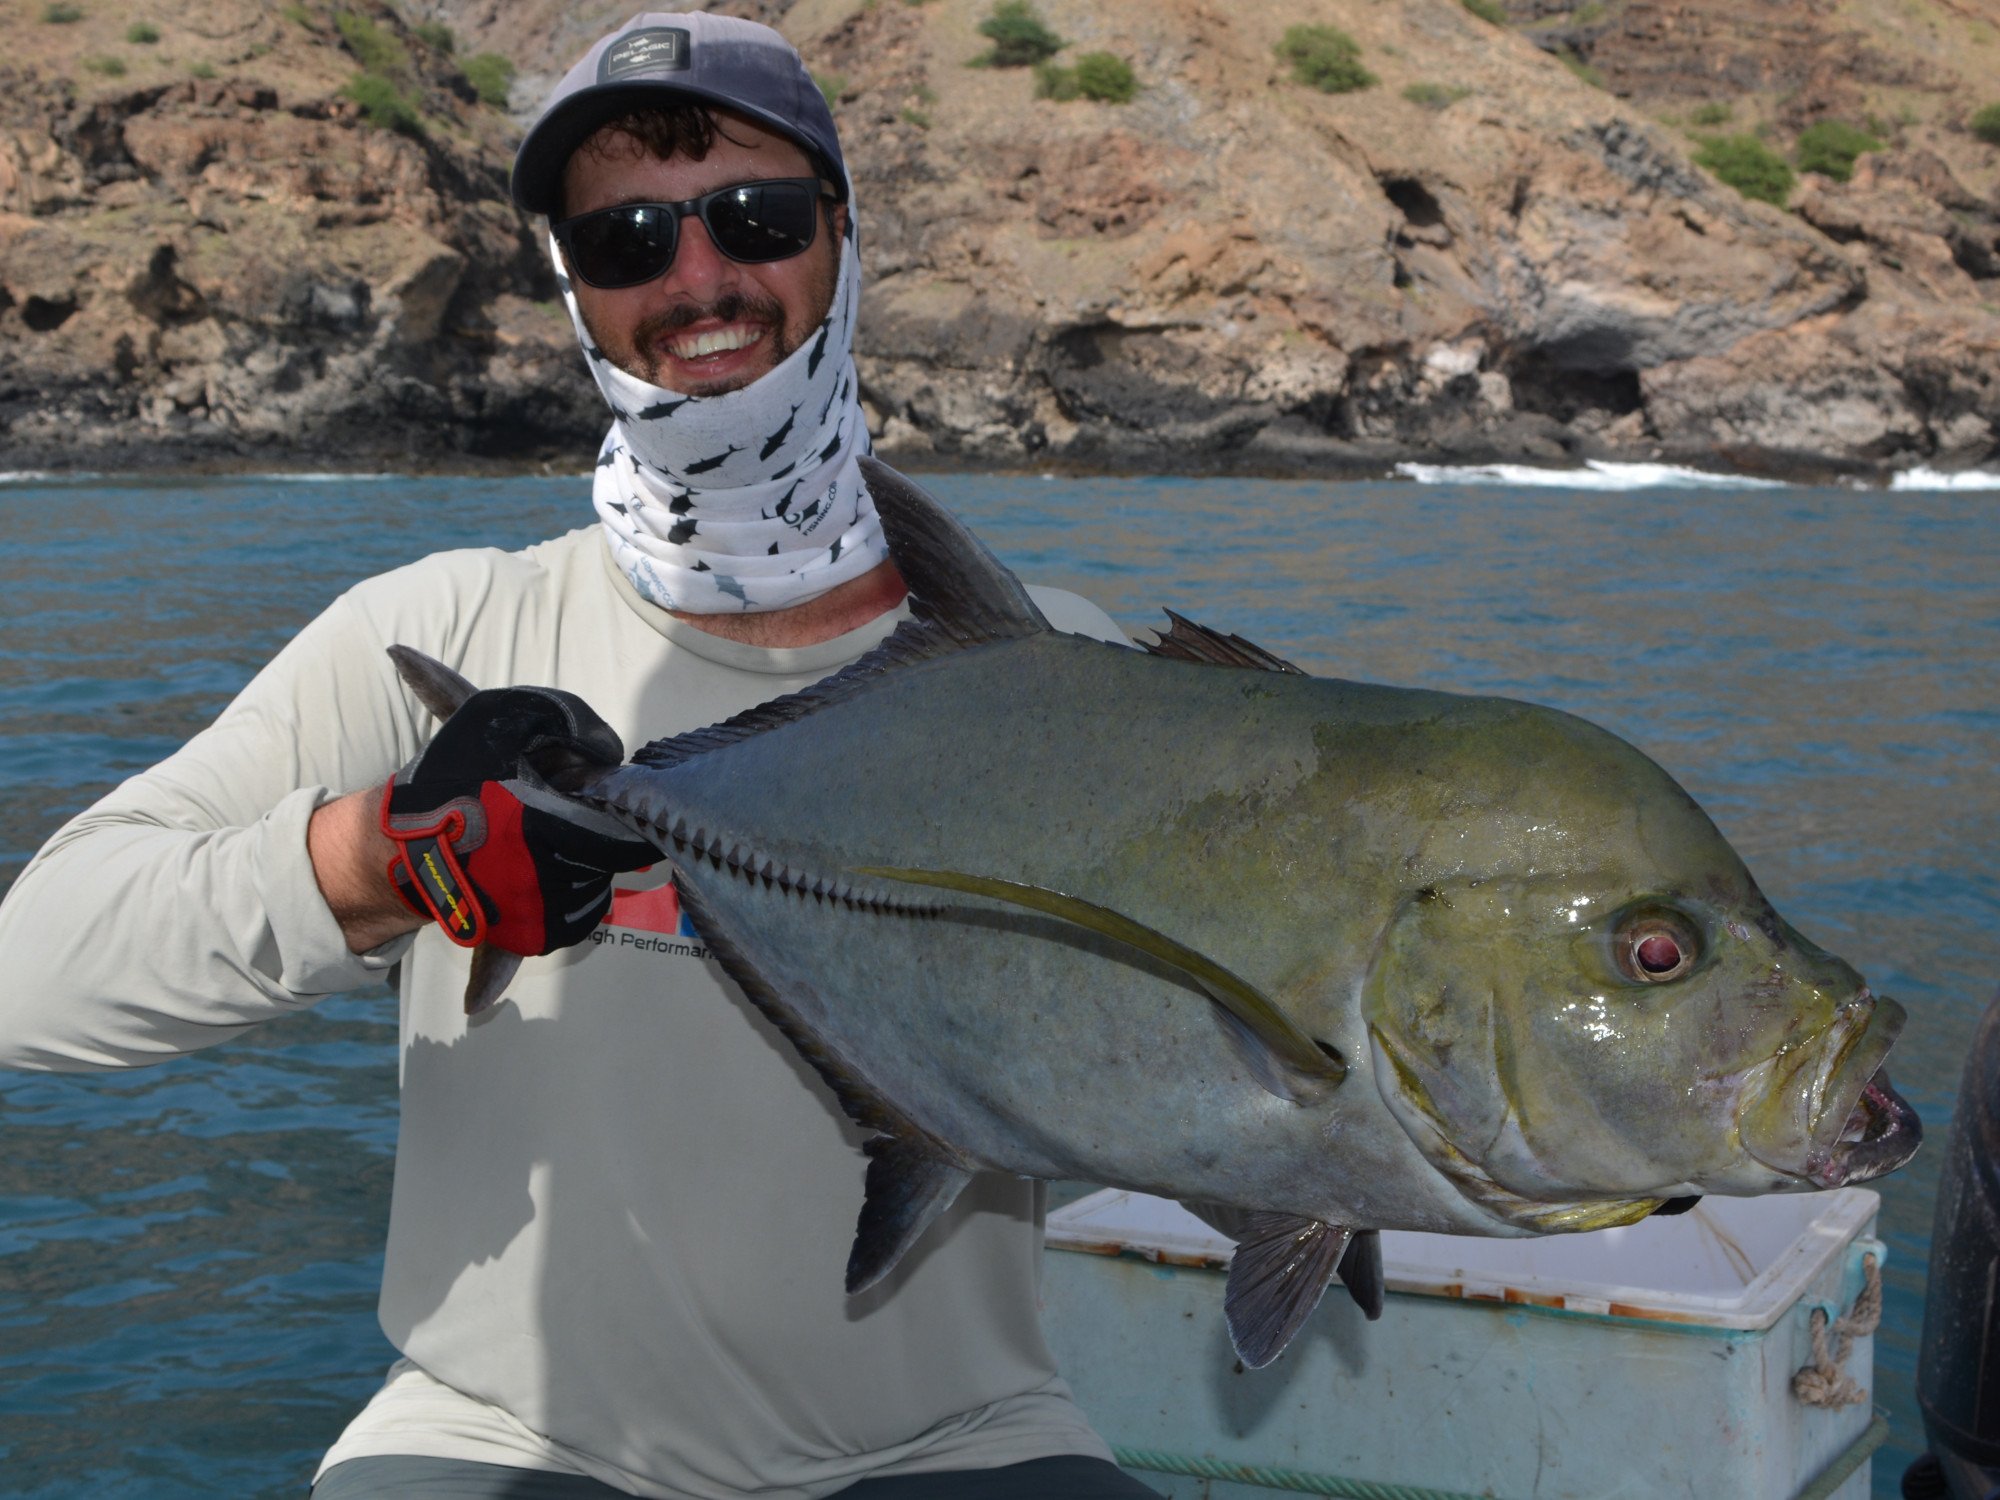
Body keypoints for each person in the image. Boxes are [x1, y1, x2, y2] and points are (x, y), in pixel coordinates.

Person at [0, 12, 1160, 1499]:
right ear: (575, 291)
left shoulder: (1050, 667)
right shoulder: (444, 625)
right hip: (502, 1439)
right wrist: (379, 854)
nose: (698, 278)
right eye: (625, 241)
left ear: (842, 237)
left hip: (968, 1439)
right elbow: (31, 972)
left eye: (755, 216)